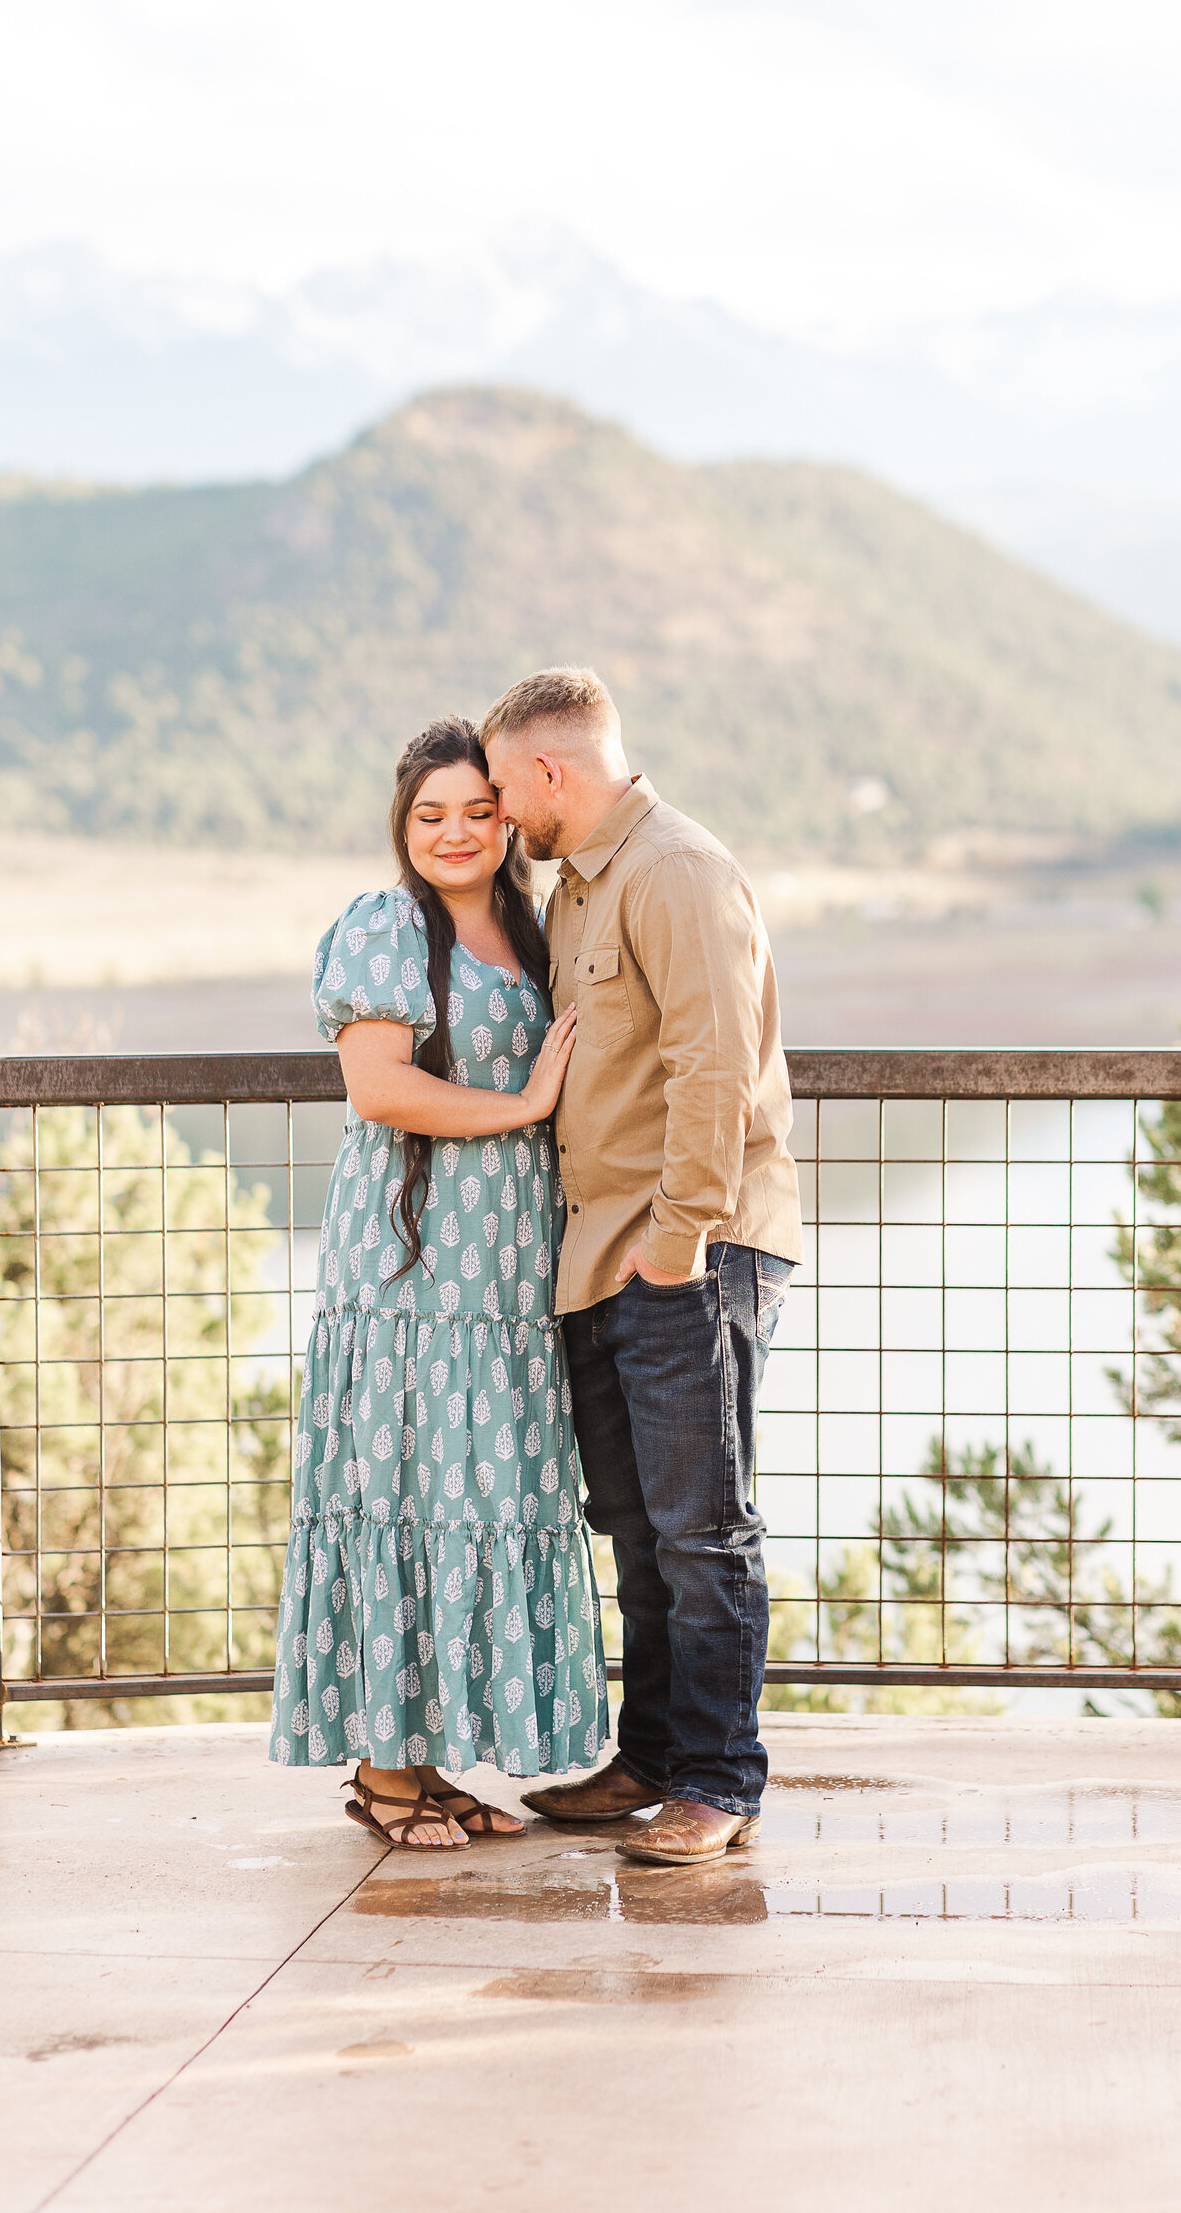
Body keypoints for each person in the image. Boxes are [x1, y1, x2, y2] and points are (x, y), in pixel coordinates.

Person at [480, 667, 802, 1867]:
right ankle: (654, 1760)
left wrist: (677, 1246)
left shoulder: (675, 871)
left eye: (507, 789)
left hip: (687, 1255)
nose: (504, 814)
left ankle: (719, 1784)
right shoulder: (577, 891)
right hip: (604, 1256)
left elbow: (714, 1070)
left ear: (551, 771)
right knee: (636, 1530)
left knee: (701, 1528)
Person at [268, 716, 607, 1848]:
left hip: (506, 1277)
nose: (455, 832)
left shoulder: (530, 924)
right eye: (430, 814)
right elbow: (380, 1089)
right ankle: (383, 1772)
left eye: (478, 809)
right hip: (410, 1270)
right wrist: (521, 1107)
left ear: (509, 815)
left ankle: (433, 1762)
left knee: (477, 1497)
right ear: (401, 823)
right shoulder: (384, 928)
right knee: (401, 1492)